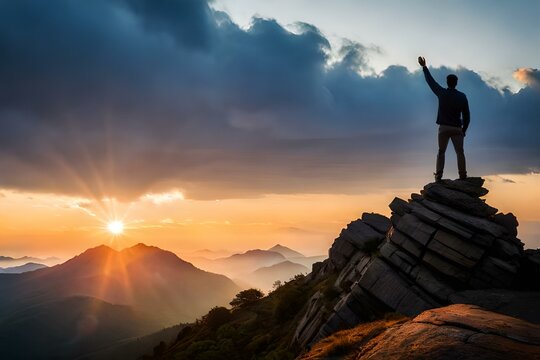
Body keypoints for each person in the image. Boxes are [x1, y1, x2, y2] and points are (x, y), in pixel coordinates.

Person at [418, 56, 470, 181]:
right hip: (457, 128)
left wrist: (424, 67)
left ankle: (438, 175)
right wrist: (464, 130)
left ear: (447, 82)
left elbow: (430, 82)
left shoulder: (442, 93)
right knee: (460, 152)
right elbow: (467, 116)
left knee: (441, 152)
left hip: (444, 128)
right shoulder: (462, 96)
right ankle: (462, 175)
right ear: (456, 83)